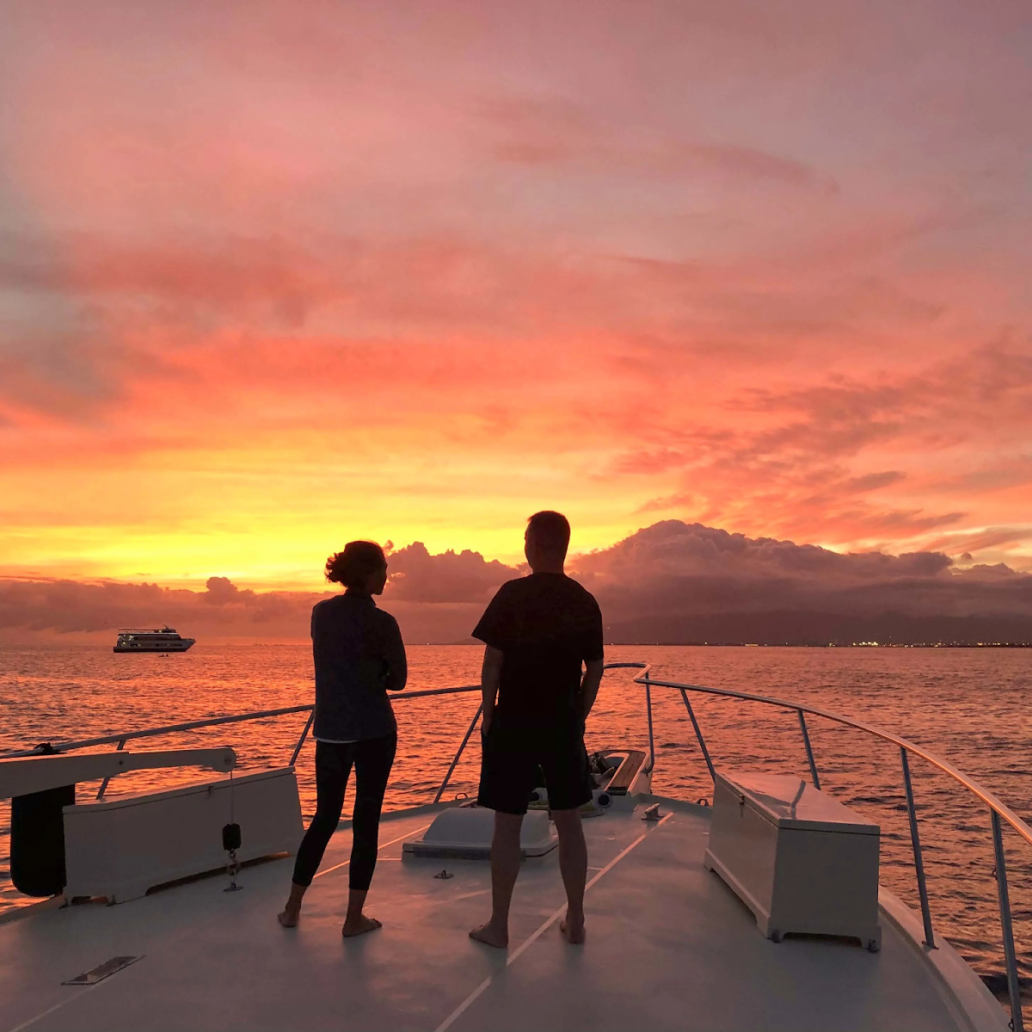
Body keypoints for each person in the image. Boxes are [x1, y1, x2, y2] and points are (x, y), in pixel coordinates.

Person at [469, 511, 605, 948]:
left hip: (513, 722)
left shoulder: (512, 595)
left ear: (533, 544)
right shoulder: (584, 600)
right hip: (562, 723)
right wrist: (578, 715)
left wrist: (488, 714)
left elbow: (493, 660)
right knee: (569, 823)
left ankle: (500, 926)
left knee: (507, 825)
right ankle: (577, 919)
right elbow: (595, 669)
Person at [278, 540, 406, 937]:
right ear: (367, 574)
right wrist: (377, 675)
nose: (387, 575)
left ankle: (293, 907)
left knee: (324, 818)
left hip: (332, 732)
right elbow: (399, 681)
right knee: (366, 821)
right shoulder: (383, 622)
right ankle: (353, 918)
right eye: (383, 568)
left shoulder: (321, 614)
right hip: (375, 731)